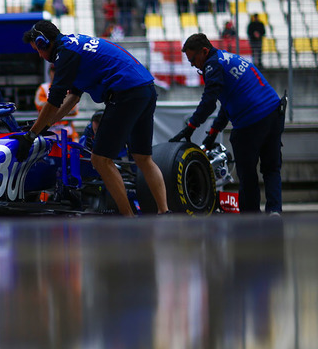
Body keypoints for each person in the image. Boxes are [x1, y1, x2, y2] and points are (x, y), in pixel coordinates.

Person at [15, 20, 169, 216]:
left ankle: (128, 217)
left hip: (126, 92)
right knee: (143, 157)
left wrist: (30, 136)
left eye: (38, 49)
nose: (39, 55)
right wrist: (46, 124)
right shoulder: (74, 46)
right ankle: (164, 211)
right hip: (146, 89)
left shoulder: (65, 54)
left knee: (100, 159)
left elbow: (54, 101)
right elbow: (73, 98)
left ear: (44, 43)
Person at [171, 33, 285, 214]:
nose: (193, 65)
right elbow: (227, 105)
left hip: (251, 122)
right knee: (271, 169)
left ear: (204, 51)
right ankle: (274, 211)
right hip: (273, 113)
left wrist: (190, 127)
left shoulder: (212, 64)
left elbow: (209, 101)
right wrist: (212, 134)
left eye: (193, 60)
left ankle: (250, 219)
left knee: (247, 175)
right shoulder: (227, 58)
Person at [34, 63, 78, 142]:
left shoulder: (70, 88)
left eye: (58, 70)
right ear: (49, 72)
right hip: (48, 135)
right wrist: (64, 105)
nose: (56, 73)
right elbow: (40, 107)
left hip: (67, 134)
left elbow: (74, 110)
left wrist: (52, 106)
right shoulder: (43, 88)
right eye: (53, 71)